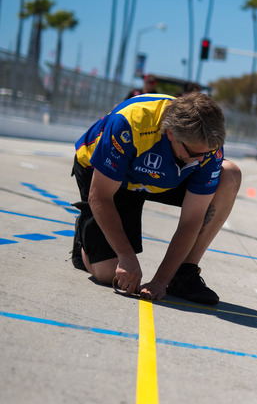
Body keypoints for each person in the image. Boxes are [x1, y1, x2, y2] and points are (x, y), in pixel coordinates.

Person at [70, 91, 242, 304]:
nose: (201, 159)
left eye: (207, 153)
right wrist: (126, 256)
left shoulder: (207, 146)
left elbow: (192, 219)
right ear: (171, 134)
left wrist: (161, 280)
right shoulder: (129, 123)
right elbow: (101, 196)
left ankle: (185, 272)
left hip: (163, 176)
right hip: (116, 178)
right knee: (111, 274)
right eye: (194, 154)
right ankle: (84, 243)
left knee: (230, 175)